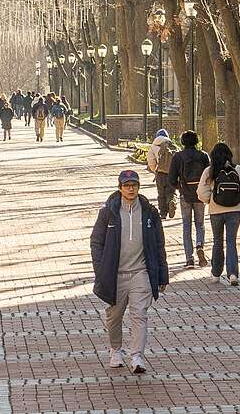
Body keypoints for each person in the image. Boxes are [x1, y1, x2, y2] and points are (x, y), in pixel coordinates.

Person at [90, 169, 168, 374]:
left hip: (141, 272)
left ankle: (137, 356)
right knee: (114, 316)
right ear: (120, 188)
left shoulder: (149, 212)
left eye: (134, 184)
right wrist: (100, 269)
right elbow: (96, 241)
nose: (131, 188)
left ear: (139, 187)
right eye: (127, 185)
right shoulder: (109, 212)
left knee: (139, 314)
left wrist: (162, 273)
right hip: (115, 274)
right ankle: (116, 349)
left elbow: (159, 244)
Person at [197, 142, 240, 287]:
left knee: (217, 241)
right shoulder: (237, 169)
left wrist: (210, 200)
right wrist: (238, 197)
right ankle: (233, 273)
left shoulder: (210, 171)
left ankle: (215, 273)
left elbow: (200, 192)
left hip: (216, 211)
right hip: (235, 210)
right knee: (231, 242)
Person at [167, 131, 211, 267]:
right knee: (200, 224)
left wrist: (179, 188)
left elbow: (171, 178)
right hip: (200, 194)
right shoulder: (203, 155)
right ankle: (199, 245)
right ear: (196, 141)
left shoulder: (178, 157)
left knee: (186, 226)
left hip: (185, 194)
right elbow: (210, 174)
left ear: (183, 142)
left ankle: (189, 259)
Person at [145, 130, 176, 218]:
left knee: (161, 193)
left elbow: (151, 160)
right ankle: (171, 201)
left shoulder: (153, 146)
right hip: (171, 173)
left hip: (160, 173)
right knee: (171, 191)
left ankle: (163, 213)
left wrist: (155, 170)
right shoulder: (172, 145)